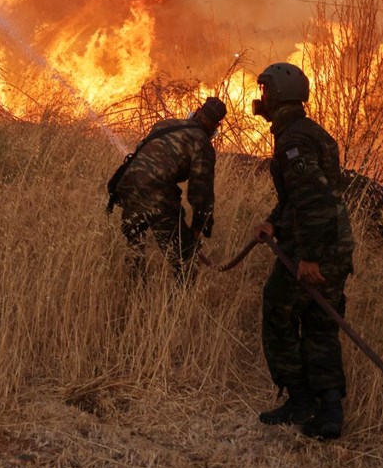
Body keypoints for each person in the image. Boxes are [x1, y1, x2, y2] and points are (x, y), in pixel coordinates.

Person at [251, 62, 355, 441]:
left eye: (265, 92)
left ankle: (299, 401)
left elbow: (312, 200)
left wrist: (310, 256)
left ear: (278, 95)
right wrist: (273, 223)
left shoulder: (292, 141)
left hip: (316, 246)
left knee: (277, 312)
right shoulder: (310, 132)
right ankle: (330, 412)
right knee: (320, 325)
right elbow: (301, 197)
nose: (261, 99)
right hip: (336, 245)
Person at [112, 96, 227, 283]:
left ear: (197, 112)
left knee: (134, 248)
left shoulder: (165, 124)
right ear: (216, 126)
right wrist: (198, 229)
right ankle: (178, 302)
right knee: (186, 262)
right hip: (156, 195)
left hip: (128, 186)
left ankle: (134, 293)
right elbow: (201, 193)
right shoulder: (203, 144)